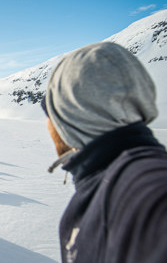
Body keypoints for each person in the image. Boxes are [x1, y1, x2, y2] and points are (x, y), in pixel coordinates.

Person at [41, 42, 167, 263]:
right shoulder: (106, 179)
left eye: (52, 112)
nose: (48, 124)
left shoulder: (140, 183)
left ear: (71, 117)